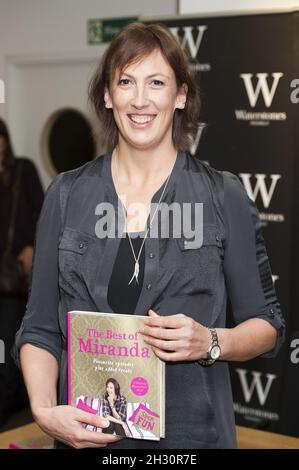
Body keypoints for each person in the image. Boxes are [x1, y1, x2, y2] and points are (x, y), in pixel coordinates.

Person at [13, 22, 285, 449]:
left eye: (156, 82)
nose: (140, 100)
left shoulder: (221, 194)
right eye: (126, 82)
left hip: (192, 442)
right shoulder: (66, 195)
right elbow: (40, 328)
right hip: (86, 441)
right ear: (107, 95)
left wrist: (211, 341)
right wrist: (46, 411)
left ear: (180, 96)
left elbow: (267, 326)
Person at [0, 118, 44, 426]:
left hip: (12, 276)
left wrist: (31, 245)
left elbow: (42, 214)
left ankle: (7, 410)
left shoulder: (23, 171)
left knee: (8, 344)